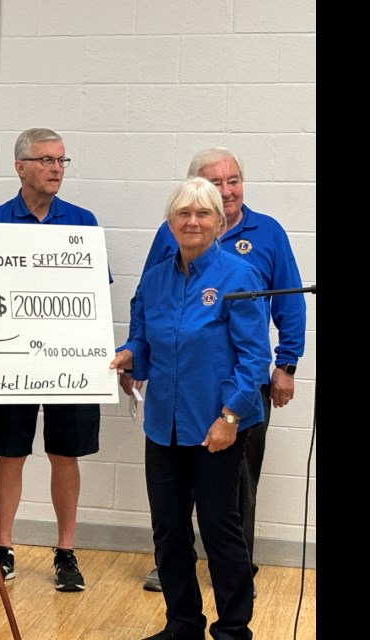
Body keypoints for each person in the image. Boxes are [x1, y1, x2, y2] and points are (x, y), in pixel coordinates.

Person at [130, 148, 307, 593]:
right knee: (171, 506)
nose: (226, 191)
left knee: (230, 498)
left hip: (239, 390)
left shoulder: (266, 234)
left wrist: (285, 364)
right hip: (176, 392)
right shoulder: (169, 235)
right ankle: (177, 575)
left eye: (233, 181)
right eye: (215, 182)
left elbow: (289, 304)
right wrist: (135, 354)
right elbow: (146, 299)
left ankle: (234, 569)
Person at [111, 177, 270, 640]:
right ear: (170, 222)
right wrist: (127, 355)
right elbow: (143, 338)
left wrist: (230, 418)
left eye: (203, 214)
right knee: (168, 530)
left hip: (218, 425)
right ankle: (182, 624)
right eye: (183, 213)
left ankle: (233, 629)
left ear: (219, 223)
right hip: (164, 425)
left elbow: (254, 358)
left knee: (221, 530)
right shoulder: (156, 278)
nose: (192, 221)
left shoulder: (239, 277)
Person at [0, 128, 102, 592]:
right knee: (9, 452)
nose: (55, 169)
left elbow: (92, 294)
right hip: (12, 357)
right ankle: (2, 550)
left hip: (67, 358)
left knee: (64, 454)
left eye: (62, 161)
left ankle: (65, 552)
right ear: (21, 166)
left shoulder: (83, 221)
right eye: (46, 160)